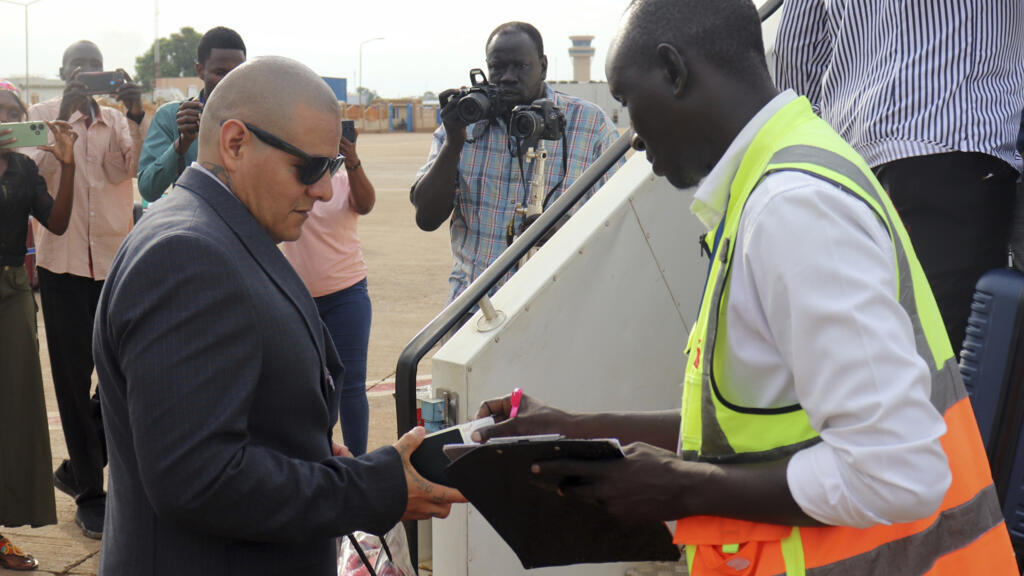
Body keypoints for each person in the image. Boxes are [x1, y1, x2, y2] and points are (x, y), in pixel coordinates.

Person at [473, 0, 1016, 573]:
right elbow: (747, 429)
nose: (632, 137)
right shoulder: (770, 187)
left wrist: (686, 488)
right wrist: (573, 428)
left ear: (674, 71)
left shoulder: (792, 208)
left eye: (630, 101)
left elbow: (899, 473)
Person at [93, 56, 463, 576]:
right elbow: (198, 479)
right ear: (236, 143)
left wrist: (310, 450)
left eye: (332, 166)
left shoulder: (222, 232)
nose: (325, 189)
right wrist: (368, 488)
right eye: (309, 167)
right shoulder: (186, 256)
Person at [773, 0, 1024, 356]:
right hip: (950, 149)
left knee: (880, 368)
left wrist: (820, 155)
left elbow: (796, 53)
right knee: (950, 378)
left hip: (848, 177)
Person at [25, 39, 145, 540]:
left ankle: (79, 465)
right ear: (63, 73)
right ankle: (91, 494)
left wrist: (136, 112)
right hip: (64, 268)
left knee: (123, 375)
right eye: (79, 68)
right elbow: (29, 172)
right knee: (73, 383)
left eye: (95, 69)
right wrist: (67, 123)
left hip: (116, 265)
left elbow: (130, 168)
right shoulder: (42, 113)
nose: (87, 74)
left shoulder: (117, 119)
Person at [411, 21, 621, 303]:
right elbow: (426, 218)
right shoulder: (464, 125)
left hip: (560, 302)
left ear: (543, 67)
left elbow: (619, 222)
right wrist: (454, 142)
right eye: (497, 67)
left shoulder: (589, 125)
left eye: (520, 66)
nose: (507, 77)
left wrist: (563, 231)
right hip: (476, 309)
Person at [0, 81, 76, 571]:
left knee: (15, 415)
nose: (4, 118)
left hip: (13, 296)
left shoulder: (26, 169)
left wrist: (67, 164)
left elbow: (60, 223)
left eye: (12, 111)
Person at [281, 127, 375, 456]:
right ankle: (320, 462)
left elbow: (365, 204)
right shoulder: (291, 174)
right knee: (308, 389)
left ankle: (358, 467)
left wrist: (353, 161)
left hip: (347, 294)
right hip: (298, 298)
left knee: (350, 387)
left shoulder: (344, 175)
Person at [137, 26, 246, 204]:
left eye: (237, 73)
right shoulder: (172, 117)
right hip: (194, 226)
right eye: (220, 73)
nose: (229, 81)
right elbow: (149, 189)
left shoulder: (258, 118)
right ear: (200, 70)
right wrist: (183, 143)